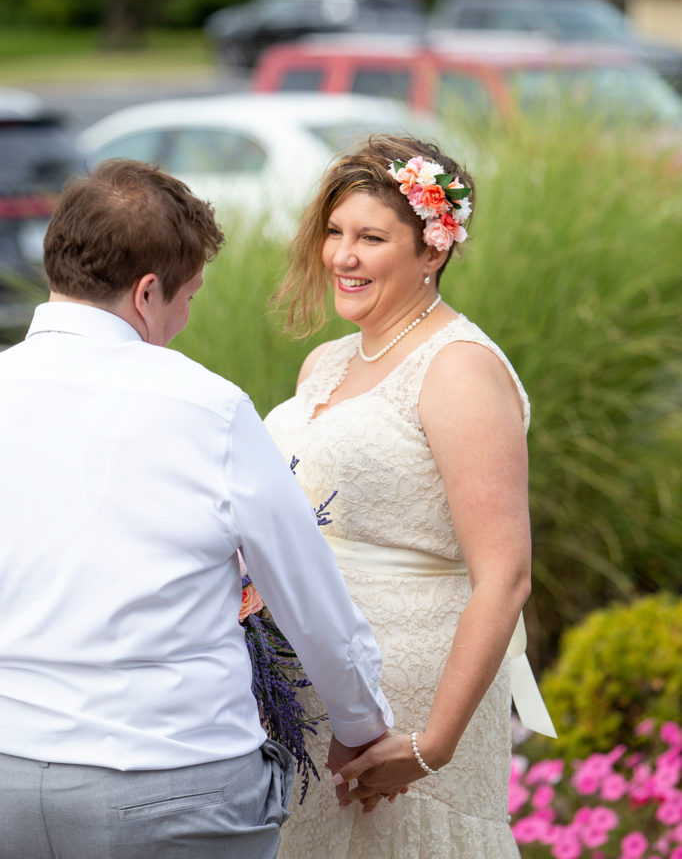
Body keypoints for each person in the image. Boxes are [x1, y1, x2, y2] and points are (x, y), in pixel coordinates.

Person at [0, 159, 395, 859]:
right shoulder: (205, 407)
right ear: (148, 292)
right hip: (171, 785)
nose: (183, 319)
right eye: (189, 296)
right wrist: (361, 723)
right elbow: (307, 595)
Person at [264, 134, 555, 859]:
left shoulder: (459, 370)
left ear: (432, 250)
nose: (342, 256)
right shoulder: (324, 362)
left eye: (370, 237)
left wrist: (431, 746)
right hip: (307, 698)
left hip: (413, 704)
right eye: (334, 233)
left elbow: (505, 575)